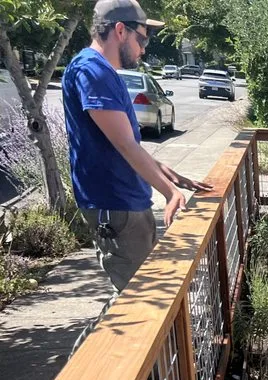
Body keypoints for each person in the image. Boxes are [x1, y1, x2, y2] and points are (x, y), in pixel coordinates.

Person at [63, 0, 210, 292]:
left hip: (126, 202)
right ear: (120, 30)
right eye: (142, 38)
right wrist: (169, 193)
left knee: (143, 295)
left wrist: (165, 172)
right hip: (116, 206)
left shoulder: (98, 70)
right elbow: (125, 144)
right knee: (138, 304)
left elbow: (121, 144)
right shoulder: (93, 71)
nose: (144, 49)